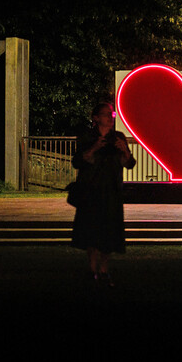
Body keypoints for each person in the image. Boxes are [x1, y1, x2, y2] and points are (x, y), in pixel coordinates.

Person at [71, 101, 136, 287]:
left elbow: (129, 163)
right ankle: (92, 270)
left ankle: (104, 269)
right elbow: (77, 162)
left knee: (109, 232)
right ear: (96, 118)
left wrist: (124, 150)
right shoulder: (87, 137)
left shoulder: (118, 137)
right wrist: (94, 148)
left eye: (112, 115)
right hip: (91, 190)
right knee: (90, 231)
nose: (110, 117)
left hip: (111, 191)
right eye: (107, 114)